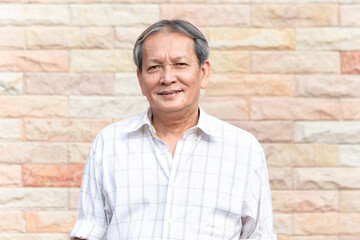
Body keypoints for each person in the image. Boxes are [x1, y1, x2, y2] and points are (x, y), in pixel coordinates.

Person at [70, 19, 276, 240]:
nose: (167, 78)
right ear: (140, 79)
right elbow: (89, 231)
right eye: (154, 67)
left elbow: (259, 235)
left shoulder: (243, 149)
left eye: (180, 64)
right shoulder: (109, 144)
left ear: (204, 73)